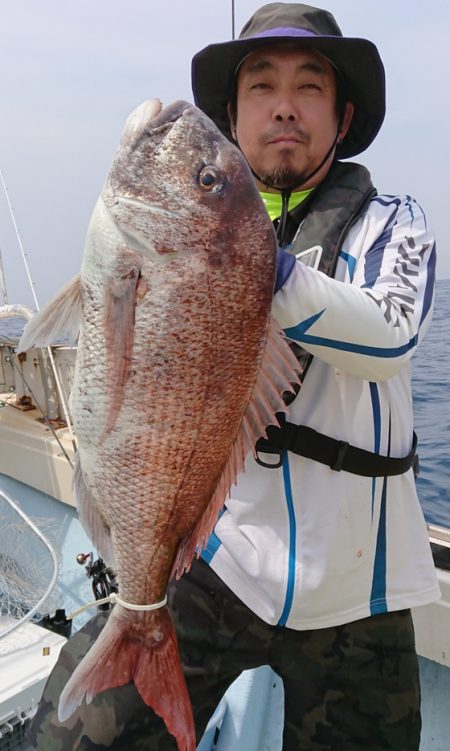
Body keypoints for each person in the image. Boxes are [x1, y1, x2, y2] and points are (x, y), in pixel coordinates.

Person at [29, 3, 440, 750]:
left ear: (342, 116)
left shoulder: (395, 221)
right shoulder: (185, 225)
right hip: (220, 560)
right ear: (233, 113)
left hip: (360, 593)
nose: (284, 105)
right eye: (262, 86)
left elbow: (391, 333)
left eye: (309, 86)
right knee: (62, 740)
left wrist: (252, 265)